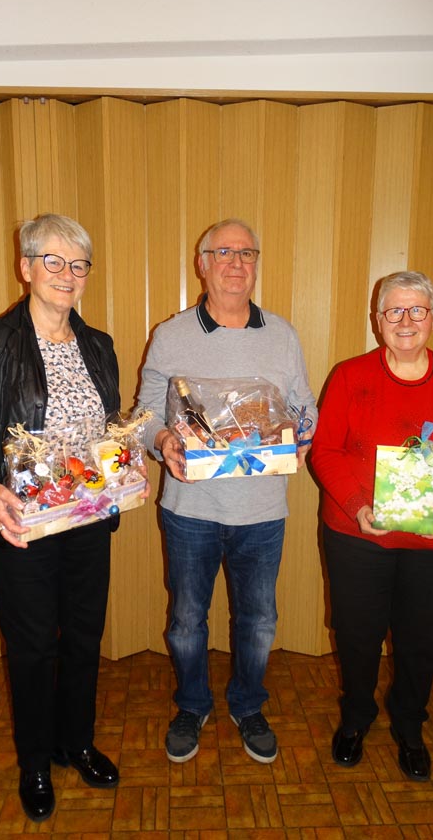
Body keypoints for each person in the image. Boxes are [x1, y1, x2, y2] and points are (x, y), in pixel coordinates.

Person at [0, 214, 122, 822]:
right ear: (26, 267)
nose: (66, 275)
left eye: (78, 265)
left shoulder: (99, 346)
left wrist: (125, 469)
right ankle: (36, 762)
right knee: (30, 647)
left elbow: (107, 435)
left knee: (85, 638)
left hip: (89, 520)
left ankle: (76, 741)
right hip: (22, 527)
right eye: (53, 261)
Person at [137, 219, 317, 764]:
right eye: (224, 252)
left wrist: (301, 437)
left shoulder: (283, 336)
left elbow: (303, 408)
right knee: (187, 619)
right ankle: (192, 704)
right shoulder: (171, 335)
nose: (236, 263)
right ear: (203, 264)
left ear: (256, 263)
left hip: (261, 512)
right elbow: (145, 411)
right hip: (189, 509)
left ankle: (247, 703)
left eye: (247, 253)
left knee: (259, 620)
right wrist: (163, 438)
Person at [311, 271, 433, 782]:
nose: (406, 321)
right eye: (394, 311)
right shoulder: (350, 377)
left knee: (421, 639)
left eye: (417, 310)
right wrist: (355, 504)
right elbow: (324, 451)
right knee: (355, 635)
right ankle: (356, 718)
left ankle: (410, 724)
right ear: (377, 321)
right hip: (357, 535)